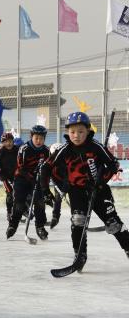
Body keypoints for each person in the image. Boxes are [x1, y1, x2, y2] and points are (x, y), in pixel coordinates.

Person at [41, 112, 129, 267]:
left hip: (99, 191)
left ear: (88, 131)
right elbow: (46, 168)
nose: (76, 135)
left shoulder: (96, 147)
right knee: (78, 223)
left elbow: (113, 165)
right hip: (77, 192)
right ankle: (79, 255)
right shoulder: (64, 149)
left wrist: (101, 181)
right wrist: (46, 190)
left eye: (81, 131)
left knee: (113, 223)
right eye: (72, 132)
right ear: (68, 132)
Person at [6, 125, 51, 240]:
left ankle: (40, 227)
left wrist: (42, 182)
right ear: (31, 137)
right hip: (21, 179)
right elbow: (21, 167)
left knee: (40, 203)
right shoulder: (24, 149)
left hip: (37, 180)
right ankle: (13, 225)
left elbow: (47, 168)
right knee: (19, 204)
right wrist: (32, 177)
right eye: (36, 138)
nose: (39, 141)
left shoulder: (46, 151)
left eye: (41, 138)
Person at [0, 132, 19, 221]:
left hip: (17, 176)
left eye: (10, 141)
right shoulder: (1, 152)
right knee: (10, 193)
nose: (8, 143)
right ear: (3, 143)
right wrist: (0, 171)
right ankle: (9, 212)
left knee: (19, 193)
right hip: (5, 177)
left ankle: (22, 210)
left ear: (13, 141)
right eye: (6, 141)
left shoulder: (18, 150)